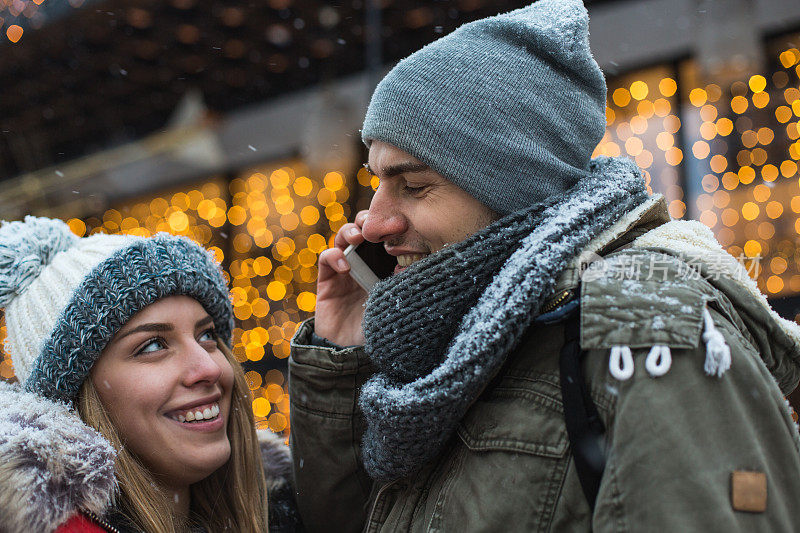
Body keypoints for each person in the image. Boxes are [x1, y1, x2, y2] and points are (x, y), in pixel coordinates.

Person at [288, 0, 800, 531]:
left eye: (413, 186)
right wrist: (345, 361)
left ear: (517, 190)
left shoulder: (641, 323)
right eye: (377, 183)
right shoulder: (447, 339)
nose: (373, 224)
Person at [0, 216, 301, 533]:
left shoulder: (288, 506)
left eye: (207, 336)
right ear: (75, 405)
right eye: (153, 345)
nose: (210, 368)